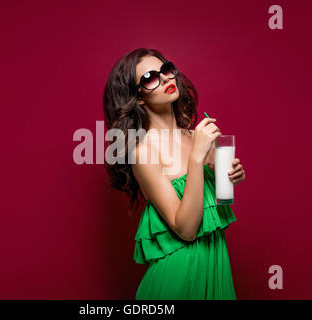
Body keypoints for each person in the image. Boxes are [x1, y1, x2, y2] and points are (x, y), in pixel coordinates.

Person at [103, 48, 246, 300]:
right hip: (178, 281)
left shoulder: (196, 137)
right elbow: (187, 229)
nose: (167, 79)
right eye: (150, 77)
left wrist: (228, 175)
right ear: (137, 98)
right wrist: (196, 158)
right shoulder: (143, 150)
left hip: (215, 268)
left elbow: (218, 210)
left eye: (166, 70)